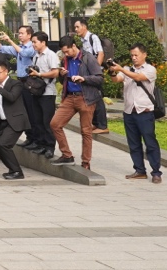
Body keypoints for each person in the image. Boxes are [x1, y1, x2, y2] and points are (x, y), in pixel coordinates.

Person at [111, 44, 161, 183]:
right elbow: (116, 80)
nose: (133, 58)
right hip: (129, 112)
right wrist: (112, 70)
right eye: (132, 55)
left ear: (144, 55)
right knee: (133, 143)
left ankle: (156, 172)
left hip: (144, 112)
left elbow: (138, 78)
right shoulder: (127, 69)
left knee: (150, 143)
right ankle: (140, 170)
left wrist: (121, 69)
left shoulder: (150, 69)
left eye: (136, 55)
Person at [50, 36, 102, 170]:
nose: (66, 54)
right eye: (64, 52)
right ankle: (67, 155)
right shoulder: (66, 60)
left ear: (74, 46)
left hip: (85, 98)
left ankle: (86, 162)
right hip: (69, 97)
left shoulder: (87, 58)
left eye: (67, 51)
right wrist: (62, 74)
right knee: (55, 124)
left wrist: (83, 78)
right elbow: (63, 81)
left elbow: (99, 78)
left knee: (86, 131)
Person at [0, 25, 42, 149]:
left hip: (30, 81)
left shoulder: (32, 47)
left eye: (22, 33)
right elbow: (1, 49)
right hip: (21, 82)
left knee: (32, 111)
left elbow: (24, 53)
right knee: (24, 110)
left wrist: (10, 40)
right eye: (19, 33)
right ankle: (29, 137)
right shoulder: (19, 47)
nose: (19, 35)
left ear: (29, 35)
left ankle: (36, 139)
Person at [0, 61, 27, 180]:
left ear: (6, 71)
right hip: (3, 121)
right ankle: (13, 170)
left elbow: (12, 97)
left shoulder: (15, 83)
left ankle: (17, 171)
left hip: (16, 120)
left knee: (4, 144)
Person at [26, 32, 60, 158]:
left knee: (47, 122)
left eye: (35, 42)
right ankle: (41, 144)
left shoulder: (50, 55)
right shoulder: (36, 56)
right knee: (38, 120)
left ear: (43, 42)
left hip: (48, 93)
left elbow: (55, 73)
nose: (33, 44)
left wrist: (39, 75)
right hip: (36, 92)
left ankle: (50, 146)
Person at [73, 20, 108, 132]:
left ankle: (103, 126)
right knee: (91, 97)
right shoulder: (83, 41)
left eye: (77, 27)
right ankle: (96, 124)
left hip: (94, 73)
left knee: (98, 98)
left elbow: (100, 53)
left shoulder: (93, 38)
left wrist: (95, 70)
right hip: (88, 74)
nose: (76, 29)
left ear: (84, 27)